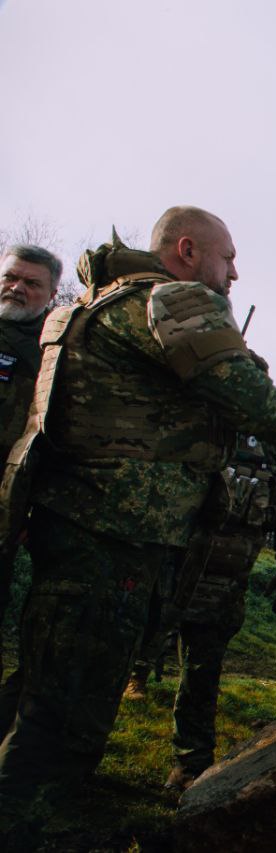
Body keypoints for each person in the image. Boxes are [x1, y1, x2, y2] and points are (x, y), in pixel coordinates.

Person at [0, 208, 276, 831]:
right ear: (188, 251)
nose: (235, 273)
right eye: (229, 258)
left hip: (90, 520)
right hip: (115, 529)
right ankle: (31, 817)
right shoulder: (168, 300)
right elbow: (243, 390)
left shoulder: (104, 302)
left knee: (51, 673)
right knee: (74, 691)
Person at [159, 431, 276, 791]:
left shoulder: (275, 451)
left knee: (202, 669)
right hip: (166, 565)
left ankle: (190, 765)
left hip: (226, 581)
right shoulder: (199, 420)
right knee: (122, 650)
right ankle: (72, 750)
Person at [0, 244, 59, 674]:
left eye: (31, 283)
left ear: (51, 293)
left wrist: (30, 512)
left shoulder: (54, 356)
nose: (17, 288)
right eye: (10, 278)